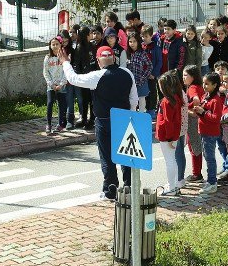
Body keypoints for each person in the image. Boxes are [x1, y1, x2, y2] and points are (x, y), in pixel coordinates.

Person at [60, 44, 138, 200]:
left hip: (103, 121)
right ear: (114, 58)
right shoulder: (127, 73)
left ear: (98, 60)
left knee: (107, 157)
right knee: (126, 156)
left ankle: (110, 189)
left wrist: (65, 62)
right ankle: (129, 188)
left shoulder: (97, 76)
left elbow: (73, 78)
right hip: (123, 119)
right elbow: (134, 99)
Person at [192, 72, 224, 194]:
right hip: (204, 130)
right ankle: (210, 180)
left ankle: (212, 182)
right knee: (207, 156)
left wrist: (203, 112)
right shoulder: (206, 96)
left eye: (207, 84)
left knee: (210, 158)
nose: (204, 86)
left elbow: (216, 118)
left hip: (210, 132)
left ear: (215, 85)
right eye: (203, 83)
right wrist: (199, 109)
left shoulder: (216, 100)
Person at [155, 70, 185, 196]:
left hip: (167, 136)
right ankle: (174, 183)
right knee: (172, 160)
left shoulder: (167, 101)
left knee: (169, 161)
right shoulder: (176, 98)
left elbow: (168, 121)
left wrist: (170, 138)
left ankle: (172, 186)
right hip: (172, 136)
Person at [182, 65, 205, 183]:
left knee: (194, 147)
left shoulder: (192, 88)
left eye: (186, 75)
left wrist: (188, 109)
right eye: (183, 75)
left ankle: (197, 174)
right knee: (195, 146)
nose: (183, 77)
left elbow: (196, 99)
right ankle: (197, 172)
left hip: (193, 122)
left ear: (193, 77)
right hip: (197, 121)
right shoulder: (196, 86)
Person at [43, 36, 68, 134]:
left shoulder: (64, 57)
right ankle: (48, 124)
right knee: (50, 103)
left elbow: (66, 71)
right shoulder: (47, 58)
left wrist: (61, 84)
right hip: (51, 86)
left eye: (57, 44)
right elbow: (45, 72)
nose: (55, 46)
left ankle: (60, 124)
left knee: (62, 105)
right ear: (50, 46)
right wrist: (51, 84)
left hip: (61, 85)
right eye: (53, 44)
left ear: (60, 45)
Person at [126, 32, 152, 112]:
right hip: (130, 82)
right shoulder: (127, 54)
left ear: (138, 42)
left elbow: (149, 66)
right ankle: (132, 118)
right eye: (130, 41)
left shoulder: (142, 53)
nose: (132, 44)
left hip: (141, 81)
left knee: (141, 100)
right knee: (132, 102)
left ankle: (141, 118)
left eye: (134, 41)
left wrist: (143, 77)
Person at [141, 25, 162, 117]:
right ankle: (143, 108)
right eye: (142, 36)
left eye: (146, 36)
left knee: (152, 92)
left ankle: (151, 110)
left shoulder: (155, 48)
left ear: (150, 36)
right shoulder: (141, 47)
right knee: (143, 93)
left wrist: (154, 74)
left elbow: (159, 62)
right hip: (142, 75)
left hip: (151, 76)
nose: (144, 38)